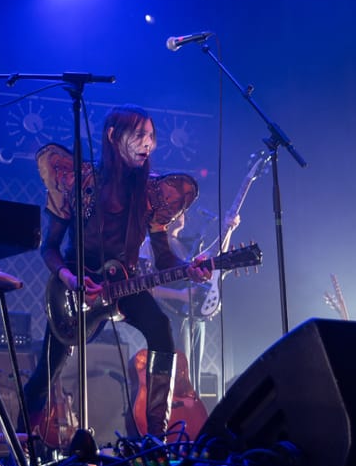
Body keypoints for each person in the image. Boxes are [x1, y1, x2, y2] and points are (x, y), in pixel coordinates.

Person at [22, 104, 212, 441]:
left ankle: (154, 439)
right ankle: (21, 439)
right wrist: (71, 279)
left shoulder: (152, 194)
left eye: (152, 137)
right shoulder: (80, 184)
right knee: (47, 371)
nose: (148, 143)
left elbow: (165, 260)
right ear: (113, 136)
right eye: (140, 135)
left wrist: (190, 270)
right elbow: (48, 248)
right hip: (76, 289)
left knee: (160, 328)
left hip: (125, 283)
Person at [141, 210, 240, 396]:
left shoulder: (183, 246)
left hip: (193, 316)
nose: (183, 215)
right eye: (178, 211)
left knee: (193, 378)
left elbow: (212, 258)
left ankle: (194, 417)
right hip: (170, 316)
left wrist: (228, 229)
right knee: (179, 376)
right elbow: (145, 287)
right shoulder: (150, 245)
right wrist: (181, 296)